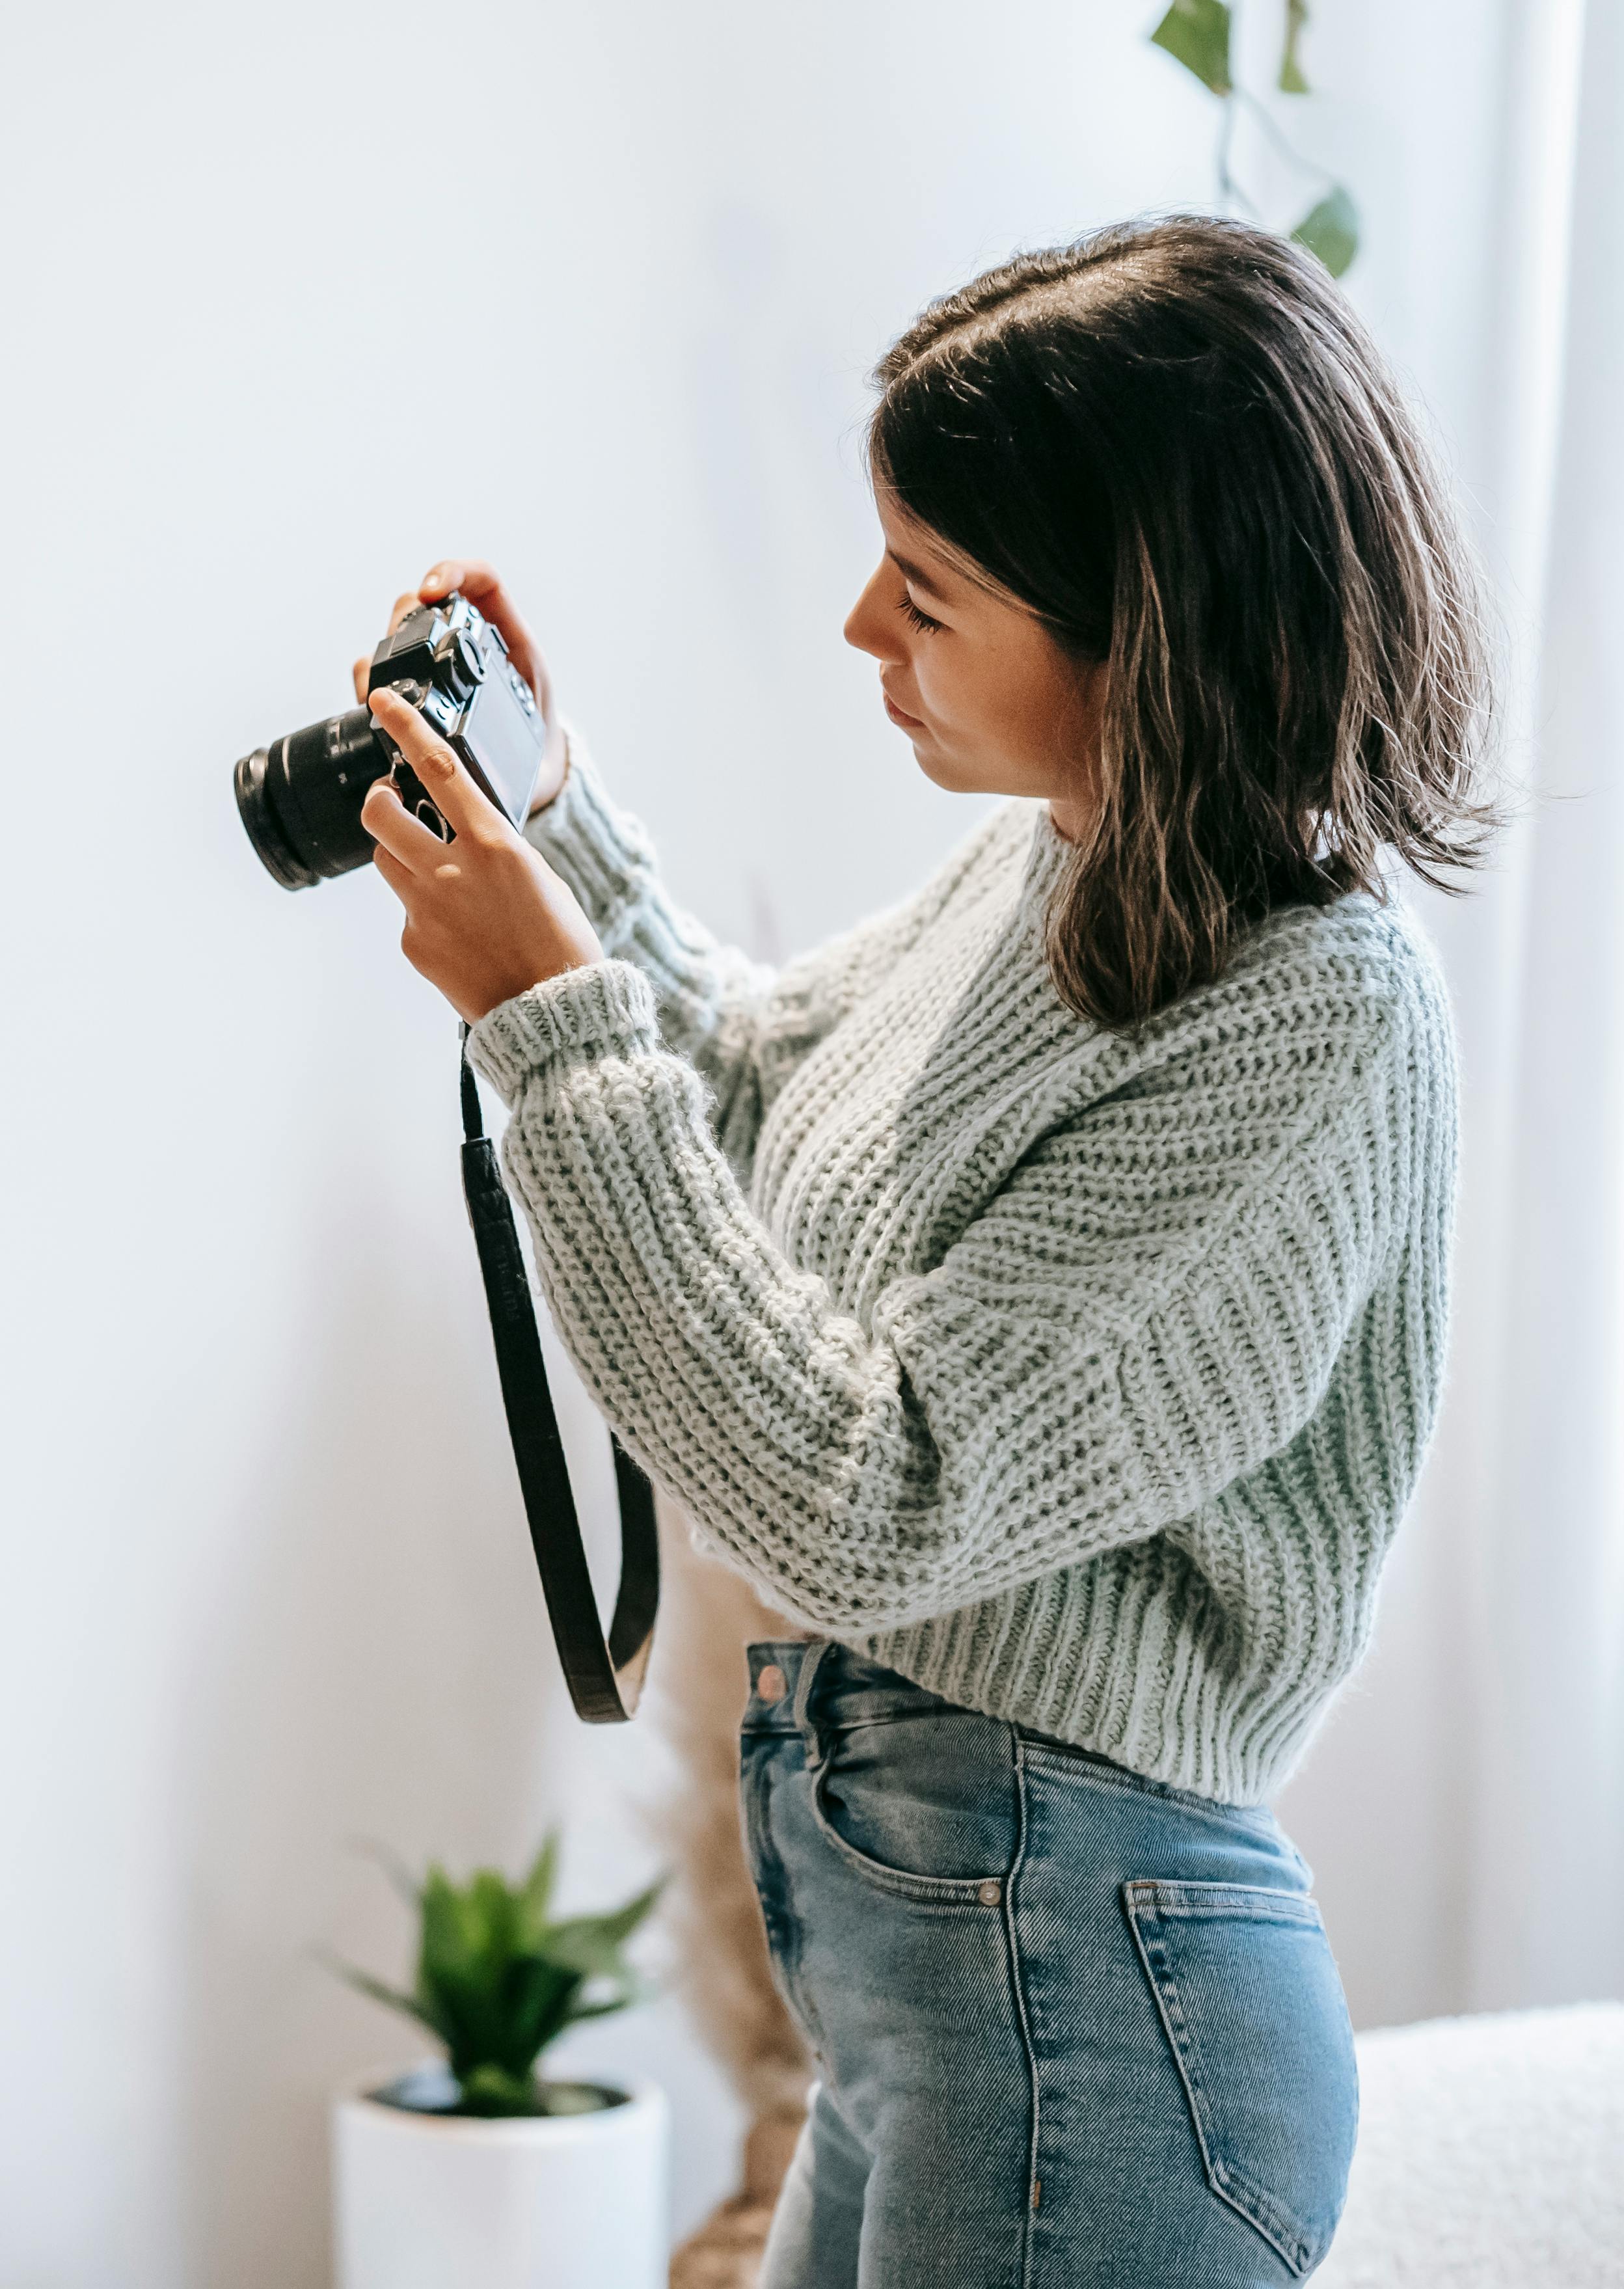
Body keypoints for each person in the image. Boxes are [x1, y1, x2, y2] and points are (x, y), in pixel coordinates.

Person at [355, 216, 1495, 2286]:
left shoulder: (1315, 1021)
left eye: (935, 585)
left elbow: (874, 1496)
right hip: (966, 1987)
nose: (862, 622)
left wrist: (544, 1017)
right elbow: (755, 1078)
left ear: (1144, 628)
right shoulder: (1058, 870)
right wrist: (557, 823)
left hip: (1092, 2001)